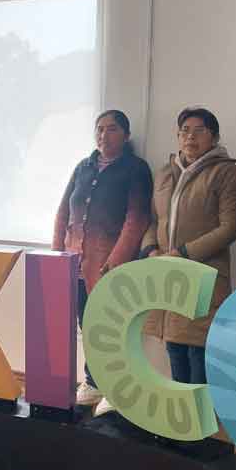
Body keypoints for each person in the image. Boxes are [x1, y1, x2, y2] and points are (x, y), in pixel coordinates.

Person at [52, 110, 152, 406]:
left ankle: (115, 386)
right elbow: (63, 212)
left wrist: (116, 260)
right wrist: (56, 254)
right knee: (87, 323)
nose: (103, 135)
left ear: (126, 135)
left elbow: (136, 218)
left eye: (111, 129)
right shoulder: (83, 167)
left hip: (108, 264)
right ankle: (94, 382)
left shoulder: (135, 169)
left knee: (110, 327)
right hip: (75, 262)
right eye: (99, 129)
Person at [140, 108, 236, 386]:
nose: (190, 137)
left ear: (214, 137)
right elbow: (153, 220)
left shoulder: (226, 172)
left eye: (200, 131)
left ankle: (203, 416)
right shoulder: (165, 173)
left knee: (199, 354)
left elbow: (230, 227)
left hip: (205, 278)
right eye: (185, 131)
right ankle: (184, 416)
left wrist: (184, 253)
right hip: (169, 276)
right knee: (175, 349)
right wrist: (150, 250)